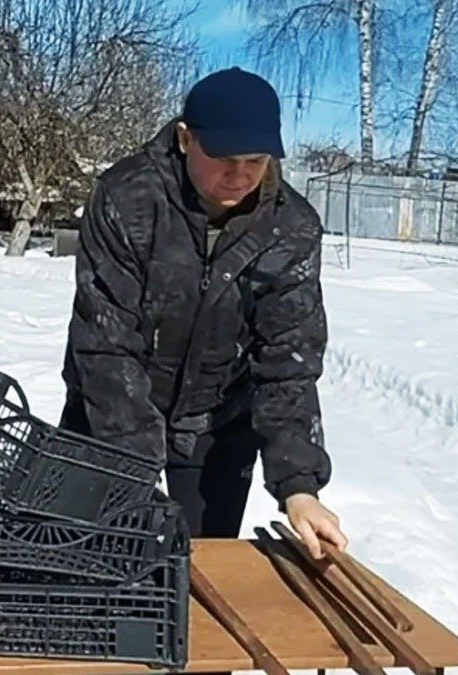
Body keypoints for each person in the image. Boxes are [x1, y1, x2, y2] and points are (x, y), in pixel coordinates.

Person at [59, 67, 347, 559]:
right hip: (109, 415)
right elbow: (106, 345)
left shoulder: (291, 228)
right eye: (223, 158)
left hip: (216, 427)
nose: (239, 175)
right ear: (186, 138)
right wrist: (134, 474)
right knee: (85, 558)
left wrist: (298, 484)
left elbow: (287, 363)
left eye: (256, 160)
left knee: (194, 574)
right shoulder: (127, 198)